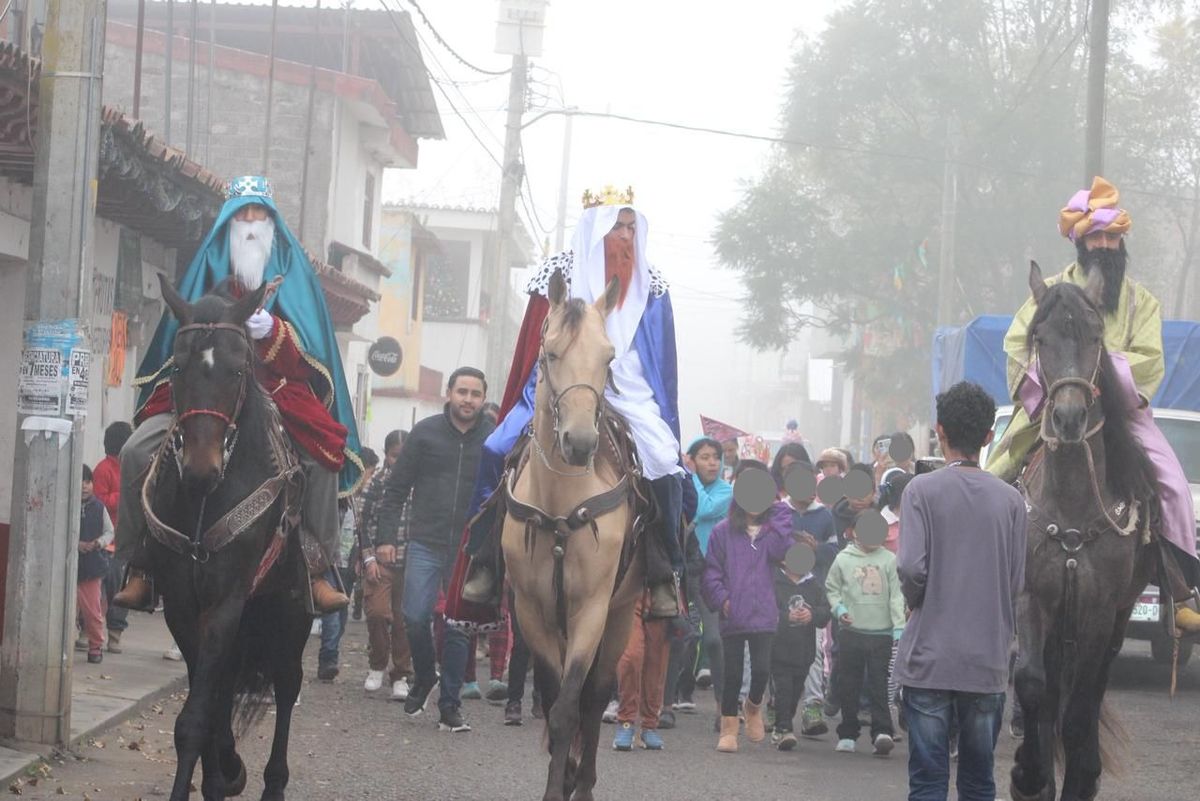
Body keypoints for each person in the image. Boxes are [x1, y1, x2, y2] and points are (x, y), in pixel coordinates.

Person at [112, 175, 363, 614]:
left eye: (258, 215)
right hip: (204, 393)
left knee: (324, 457)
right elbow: (177, 340)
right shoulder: (203, 271)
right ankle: (140, 566)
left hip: (277, 391)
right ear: (228, 223)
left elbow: (314, 357)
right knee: (135, 451)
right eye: (241, 215)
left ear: (271, 222)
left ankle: (316, 567)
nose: (250, 224)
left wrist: (275, 332)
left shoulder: (296, 275)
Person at [459, 187, 685, 619]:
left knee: (664, 461)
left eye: (630, 228)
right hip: (555, 386)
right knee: (494, 449)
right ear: (595, 229)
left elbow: (660, 357)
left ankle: (662, 570)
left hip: (627, 389)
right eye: (616, 226)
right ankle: (485, 560)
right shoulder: (556, 274)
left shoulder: (651, 286)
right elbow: (534, 344)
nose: (624, 236)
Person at [987, 176, 1199, 630]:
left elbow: (1150, 360)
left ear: (1122, 241)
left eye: (1112, 236)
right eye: (1096, 236)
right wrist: (1054, 383)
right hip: (1052, 405)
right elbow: (1016, 346)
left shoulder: (1143, 302)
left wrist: (1100, 376)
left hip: (1119, 410)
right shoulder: (1049, 290)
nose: (1105, 244)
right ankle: (978, 571)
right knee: (994, 474)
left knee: (1175, 485)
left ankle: (1180, 585)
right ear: (1080, 242)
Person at [898, 381, 1027, 801]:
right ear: (990, 436)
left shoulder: (920, 491)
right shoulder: (1011, 501)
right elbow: (1015, 584)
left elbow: (910, 568)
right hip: (986, 662)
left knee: (928, 781)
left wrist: (917, 601)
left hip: (929, 659)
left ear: (940, 430)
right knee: (977, 781)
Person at [375, 367, 493, 733]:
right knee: (413, 616)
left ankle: (450, 707)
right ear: (449, 393)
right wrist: (385, 538)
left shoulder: (494, 439)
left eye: (475, 393)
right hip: (425, 541)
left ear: (483, 398)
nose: (468, 400)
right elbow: (395, 491)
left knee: (459, 626)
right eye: (462, 392)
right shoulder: (424, 434)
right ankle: (425, 676)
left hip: (469, 548)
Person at [702, 462, 799, 753]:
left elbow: (784, 550)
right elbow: (711, 572)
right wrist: (723, 600)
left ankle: (753, 707)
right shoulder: (722, 532)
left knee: (761, 669)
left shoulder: (772, 531)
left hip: (765, 612)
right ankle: (729, 727)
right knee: (731, 673)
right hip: (733, 612)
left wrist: (780, 508)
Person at [825, 509, 905, 756]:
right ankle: (848, 732)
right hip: (851, 631)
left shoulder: (890, 560)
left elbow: (896, 595)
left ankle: (882, 731)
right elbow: (832, 588)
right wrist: (839, 610)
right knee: (849, 683)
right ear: (854, 532)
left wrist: (899, 626)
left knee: (879, 684)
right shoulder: (843, 559)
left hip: (881, 632)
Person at [777, 458, 836, 737]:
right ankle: (776, 705)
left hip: (812, 589)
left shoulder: (824, 515)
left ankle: (813, 705)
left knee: (813, 652)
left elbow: (835, 552)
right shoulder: (779, 511)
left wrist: (817, 548)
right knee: (775, 651)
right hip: (780, 589)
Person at [358, 430, 413, 700]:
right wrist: (368, 558)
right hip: (381, 564)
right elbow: (362, 521)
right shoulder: (376, 483)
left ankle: (401, 674)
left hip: (412, 563)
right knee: (378, 613)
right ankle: (377, 664)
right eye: (394, 457)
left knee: (405, 621)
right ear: (386, 455)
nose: (399, 462)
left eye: (404, 457)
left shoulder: (421, 482)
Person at [317, 447, 379, 682]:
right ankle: (329, 659)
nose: (369, 479)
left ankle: (330, 655)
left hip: (349, 562)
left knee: (341, 609)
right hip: (330, 560)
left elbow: (362, 531)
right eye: (368, 473)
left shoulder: (362, 498)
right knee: (332, 611)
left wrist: (362, 558)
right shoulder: (338, 493)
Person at [770, 546, 831, 751]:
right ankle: (782, 729)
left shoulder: (813, 585)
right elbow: (765, 609)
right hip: (778, 649)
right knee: (784, 688)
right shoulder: (774, 581)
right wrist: (785, 617)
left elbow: (825, 611)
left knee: (795, 691)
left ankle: (784, 718)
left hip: (804, 652)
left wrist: (812, 615)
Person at [612, 594, 671, 751]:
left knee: (656, 662)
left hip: (663, 589)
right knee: (630, 657)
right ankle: (626, 721)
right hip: (630, 590)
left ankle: (649, 725)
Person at [93, 421, 132, 654]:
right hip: (104, 540)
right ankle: (88, 630)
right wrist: (124, 495)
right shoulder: (103, 469)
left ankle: (115, 634)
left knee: (119, 586)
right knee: (97, 588)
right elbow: (100, 502)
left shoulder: (132, 467)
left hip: (125, 539)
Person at [78, 466, 114, 664]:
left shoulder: (100, 507)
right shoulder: (65, 505)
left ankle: (95, 646)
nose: (84, 486)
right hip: (68, 567)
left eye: (88, 481)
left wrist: (97, 543)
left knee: (93, 612)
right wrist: (76, 545)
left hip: (91, 568)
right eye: (80, 481)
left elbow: (110, 532)